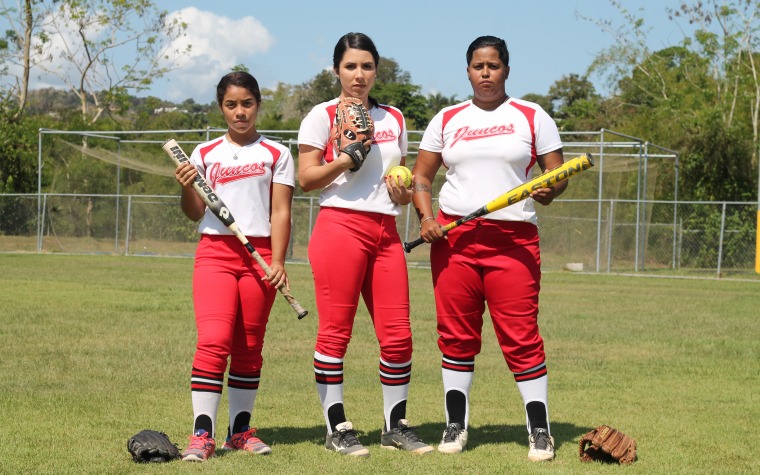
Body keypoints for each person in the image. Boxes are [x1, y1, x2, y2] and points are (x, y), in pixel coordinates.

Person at [411, 35, 565, 462]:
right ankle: (455, 426)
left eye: (493, 65)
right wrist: (426, 218)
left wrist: (551, 189)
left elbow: (558, 173)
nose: (485, 73)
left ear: (506, 70)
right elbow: (422, 176)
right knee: (456, 337)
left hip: (512, 242)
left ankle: (540, 431)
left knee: (521, 337)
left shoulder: (532, 116)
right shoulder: (447, 118)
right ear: (467, 71)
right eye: (478, 66)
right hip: (454, 240)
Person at [297, 32, 432, 457]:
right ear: (336, 69)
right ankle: (337, 427)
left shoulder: (394, 117)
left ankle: (395, 426)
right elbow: (305, 179)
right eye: (351, 66)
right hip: (340, 228)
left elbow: (401, 175)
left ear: (377, 70)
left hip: (385, 232)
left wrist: (403, 191)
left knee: (398, 336)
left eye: (367, 66)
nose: (359, 75)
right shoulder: (321, 115)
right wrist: (344, 158)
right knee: (336, 334)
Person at [173, 71, 295, 462]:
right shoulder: (205, 154)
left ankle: (239, 432)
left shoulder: (277, 153)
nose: (240, 112)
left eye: (247, 104)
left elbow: (280, 211)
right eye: (231, 105)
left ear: (258, 104)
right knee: (214, 340)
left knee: (249, 346)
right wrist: (186, 185)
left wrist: (278, 261)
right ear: (221, 107)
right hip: (216, 253)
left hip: (258, 255)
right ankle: (201, 435)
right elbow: (194, 213)